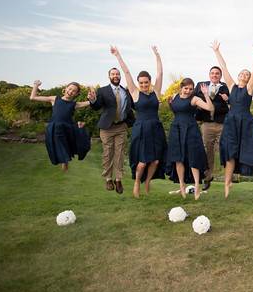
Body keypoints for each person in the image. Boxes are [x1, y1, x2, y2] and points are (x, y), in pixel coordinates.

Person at [210, 38, 253, 199]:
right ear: (238, 76)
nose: (245, 75)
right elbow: (224, 67)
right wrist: (216, 51)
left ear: (249, 79)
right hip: (231, 123)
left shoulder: (249, 88)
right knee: (230, 153)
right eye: (242, 73)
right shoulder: (232, 86)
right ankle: (227, 185)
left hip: (247, 123)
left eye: (247, 74)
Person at [110, 45, 167, 198]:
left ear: (149, 82)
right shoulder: (135, 93)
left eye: (146, 82)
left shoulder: (156, 92)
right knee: (142, 162)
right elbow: (127, 72)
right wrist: (118, 55)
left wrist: (157, 55)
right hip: (141, 129)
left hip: (155, 129)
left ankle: (147, 181)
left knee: (155, 161)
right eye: (141, 82)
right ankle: (137, 182)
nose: (143, 85)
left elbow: (160, 73)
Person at [88, 67, 135, 193]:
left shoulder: (126, 91)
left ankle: (118, 180)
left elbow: (132, 106)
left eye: (117, 74)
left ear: (120, 76)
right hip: (107, 127)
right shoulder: (103, 91)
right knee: (108, 153)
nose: (116, 76)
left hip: (121, 126)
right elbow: (97, 106)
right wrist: (92, 100)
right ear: (109, 76)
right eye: (113, 74)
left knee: (120, 153)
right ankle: (108, 178)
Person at [166, 78, 214, 200]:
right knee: (178, 158)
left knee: (193, 158)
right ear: (181, 88)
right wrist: (169, 104)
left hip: (191, 130)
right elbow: (176, 110)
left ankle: (197, 185)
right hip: (176, 129)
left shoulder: (194, 99)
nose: (188, 91)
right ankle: (182, 185)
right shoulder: (174, 96)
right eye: (186, 88)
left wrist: (206, 95)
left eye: (191, 89)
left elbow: (210, 108)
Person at [30, 80, 91, 171]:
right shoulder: (55, 99)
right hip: (55, 127)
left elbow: (90, 103)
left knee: (71, 144)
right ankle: (64, 160)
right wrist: (36, 85)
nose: (70, 92)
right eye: (69, 89)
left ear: (76, 94)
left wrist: (92, 98)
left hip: (68, 128)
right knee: (58, 145)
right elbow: (33, 97)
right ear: (65, 88)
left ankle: (65, 159)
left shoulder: (74, 104)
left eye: (73, 91)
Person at [194, 66, 230, 191]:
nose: (214, 75)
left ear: (220, 76)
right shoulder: (200, 85)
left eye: (217, 73)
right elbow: (193, 99)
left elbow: (234, 102)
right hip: (206, 124)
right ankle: (207, 177)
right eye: (212, 73)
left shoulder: (226, 87)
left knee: (226, 149)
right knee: (207, 151)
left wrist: (228, 99)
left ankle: (229, 177)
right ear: (209, 75)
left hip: (222, 124)